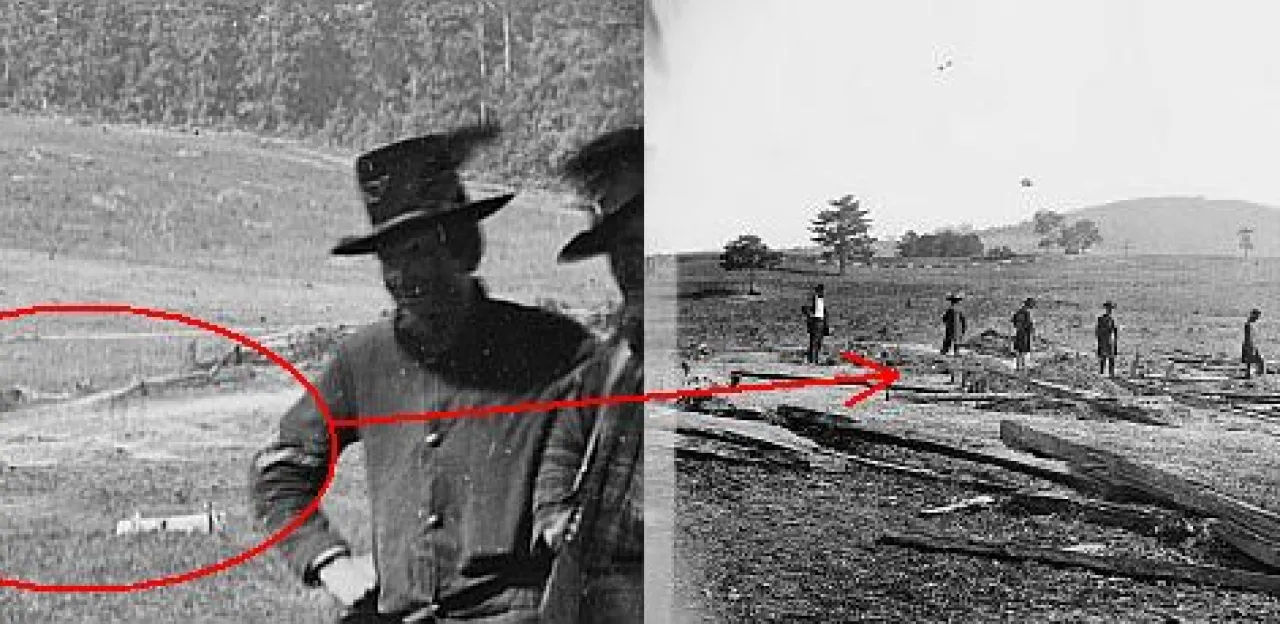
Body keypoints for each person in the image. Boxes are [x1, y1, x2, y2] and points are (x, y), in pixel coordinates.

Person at [248, 124, 597, 624]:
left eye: (419, 251)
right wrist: (329, 561)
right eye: (389, 257)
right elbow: (280, 470)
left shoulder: (553, 349)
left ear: (463, 247)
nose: (404, 277)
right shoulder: (362, 360)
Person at [534, 126, 643, 624]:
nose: (629, 265)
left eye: (641, 241)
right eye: (618, 248)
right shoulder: (616, 357)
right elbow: (566, 435)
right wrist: (554, 514)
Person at [804, 284, 830, 364]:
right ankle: (812, 360)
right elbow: (807, 309)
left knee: (818, 342)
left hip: (820, 322)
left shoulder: (821, 300)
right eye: (820, 291)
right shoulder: (815, 299)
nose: (822, 292)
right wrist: (810, 317)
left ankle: (814, 359)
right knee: (815, 342)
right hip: (817, 321)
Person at [1096, 301, 1119, 378]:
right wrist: (1099, 343)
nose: (1110, 310)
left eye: (1110, 309)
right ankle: (1102, 374)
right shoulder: (1101, 319)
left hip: (1109, 341)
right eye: (1108, 308)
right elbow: (1098, 332)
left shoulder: (1111, 320)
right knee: (1103, 358)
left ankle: (1111, 374)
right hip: (1104, 340)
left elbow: (1114, 332)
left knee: (1111, 359)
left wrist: (1115, 343)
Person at [1012, 297, 1036, 372]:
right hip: (1025, 334)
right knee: (1024, 351)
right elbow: (1030, 326)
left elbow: (1014, 322)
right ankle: (1023, 367)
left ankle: (1018, 367)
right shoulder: (1027, 313)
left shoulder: (1019, 312)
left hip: (1019, 333)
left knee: (1019, 351)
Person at [1244, 308, 1266, 379]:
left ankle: (1253, 374)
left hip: (1252, 345)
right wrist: (1249, 347)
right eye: (1257, 316)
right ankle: (1255, 375)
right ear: (1253, 315)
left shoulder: (1251, 324)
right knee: (1256, 361)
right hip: (1250, 345)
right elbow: (1248, 337)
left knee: (1253, 361)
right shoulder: (1248, 324)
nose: (1257, 318)